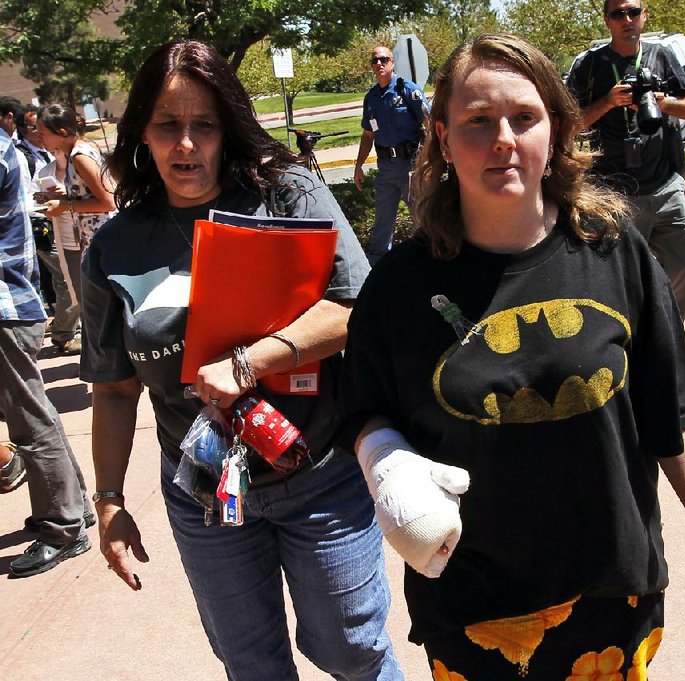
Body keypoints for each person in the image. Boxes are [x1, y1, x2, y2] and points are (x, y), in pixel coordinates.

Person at [336, 34, 685, 680]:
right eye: (477, 121)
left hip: (610, 591)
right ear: (441, 135)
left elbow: (672, 406)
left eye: (524, 117)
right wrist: (384, 465)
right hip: (474, 607)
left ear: (556, 127)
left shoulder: (615, 251)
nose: (503, 138)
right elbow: (360, 408)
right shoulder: (399, 286)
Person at [80, 40, 403, 681]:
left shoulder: (286, 194)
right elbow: (114, 390)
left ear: (229, 126)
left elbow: (357, 307)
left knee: (353, 653)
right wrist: (110, 501)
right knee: (251, 666)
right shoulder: (115, 246)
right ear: (141, 130)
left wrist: (251, 361)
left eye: (205, 125)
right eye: (169, 126)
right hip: (208, 498)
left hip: (320, 479)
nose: (187, 146)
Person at [567, 0, 685, 319]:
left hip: (666, 186)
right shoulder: (591, 65)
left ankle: (671, 329)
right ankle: (631, 336)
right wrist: (607, 102)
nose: (626, 19)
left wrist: (664, 102)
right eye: (618, 14)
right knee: (619, 277)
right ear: (607, 20)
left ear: (644, 16)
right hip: (615, 194)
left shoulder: (662, 56)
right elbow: (569, 124)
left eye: (633, 12)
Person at [0, 119, 94, 576]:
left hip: (6, 307)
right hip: (14, 303)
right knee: (34, 412)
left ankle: (63, 527)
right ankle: (72, 510)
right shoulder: (7, 150)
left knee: (28, 418)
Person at [353, 45, 429, 265]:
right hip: (385, 167)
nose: (379, 64)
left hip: (410, 165)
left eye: (384, 59)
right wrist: (358, 166)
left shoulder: (407, 90)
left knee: (421, 218)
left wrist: (431, 162)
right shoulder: (372, 98)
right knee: (382, 222)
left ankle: (427, 263)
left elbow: (430, 125)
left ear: (392, 62)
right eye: (375, 61)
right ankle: (377, 270)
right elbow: (368, 135)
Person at [15, 104, 82, 355]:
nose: (38, 134)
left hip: (83, 239)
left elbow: (105, 200)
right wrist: (51, 201)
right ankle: (66, 335)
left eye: (42, 130)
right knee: (71, 287)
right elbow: (33, 199)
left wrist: (67, 200)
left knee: (77, 289)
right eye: (34, 128)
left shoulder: (78, 157)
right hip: (54, 235)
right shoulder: (36, 162)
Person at [36, 104, 116, 257]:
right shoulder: (75, 154)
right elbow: (89, 194)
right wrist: (62, 197)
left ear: (61, 133)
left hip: (105, 242)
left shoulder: (80, 157)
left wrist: (65, 206)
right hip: (95, 240)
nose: (39, 138)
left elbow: (108, 203)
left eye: (43, 134)